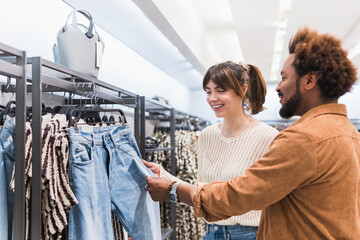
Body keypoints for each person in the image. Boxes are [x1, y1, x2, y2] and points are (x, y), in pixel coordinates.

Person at [145, 26, 360, 239]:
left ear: (309, 81)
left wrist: (173, 189)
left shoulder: (303, 138)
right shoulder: (351, 135)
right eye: (208, 92)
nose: (278, 87)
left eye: (284, 78)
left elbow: (239, 195)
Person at [143, 60, 279, 239]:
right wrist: (163, 174)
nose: (212, 98)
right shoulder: (207, 135)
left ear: (243, 90)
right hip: (210, 232)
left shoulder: (268, 137)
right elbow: (202, 193)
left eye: (220, 91)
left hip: (250, 234)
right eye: (208, 92)